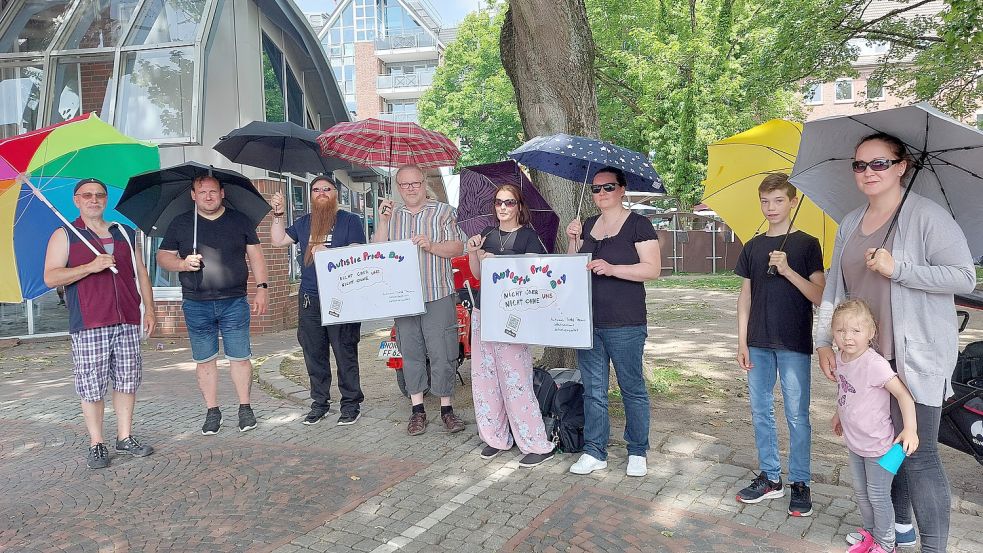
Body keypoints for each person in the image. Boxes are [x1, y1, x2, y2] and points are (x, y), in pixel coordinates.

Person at [815, 132, 976, 552]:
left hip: (917, 356)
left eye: (879, 163)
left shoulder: (927, 216)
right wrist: (824, 341)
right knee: (887, 448)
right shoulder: (851, 222)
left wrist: (899, 268)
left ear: (902, 166)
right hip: (865, 357)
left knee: (917, 453)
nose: (868, 172)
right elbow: (835, 285)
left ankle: (934, 546)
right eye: (860, 164)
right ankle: (899, 527)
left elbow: (964, 276)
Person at [42, 176, 156, 469]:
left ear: (106, 200)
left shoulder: (125, 233)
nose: (94, 200)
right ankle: (96, 442)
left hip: (128, 317)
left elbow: (141, 273)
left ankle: (125, 436)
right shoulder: (65, 234)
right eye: (87, 195)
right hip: (90, 320)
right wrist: (89, 267)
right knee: (92, 384)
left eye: (100, 195)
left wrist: (150, 309)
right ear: (76, 201)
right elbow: (51, 276)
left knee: (127, 380)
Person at [734, 173, 825, 517]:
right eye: (765, 201)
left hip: (793, 343)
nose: (771, 208)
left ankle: (800, 481)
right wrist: (741, 341)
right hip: (757, 342)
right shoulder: (753, 246)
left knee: (797, 415)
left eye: (778, 200)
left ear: (792, 202)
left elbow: (819, 296)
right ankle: (771, 478)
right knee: (761, 412)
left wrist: (788, 271)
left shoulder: (807, 244)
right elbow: (745, 296)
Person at [564, 166, 662, 477]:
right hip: (588, 321)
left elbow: (652, 270)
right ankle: (595, 450)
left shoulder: (639, 225)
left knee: (631, 388)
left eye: (608, 187)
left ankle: (637, 450)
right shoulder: (587, 225)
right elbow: (572, 269)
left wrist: (613, 268)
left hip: (626, 322)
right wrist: (572, 241)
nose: (601, 193)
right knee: (593, 390)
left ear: (622, 189)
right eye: (595, 189)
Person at [156, 175, 269, 435]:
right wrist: (183, 264)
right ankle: (212, 411)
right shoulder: (181, 223)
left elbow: (256, 255)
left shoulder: (240, 220)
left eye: (213, 191)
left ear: (222, 193)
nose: (208, 196)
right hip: (196, 303)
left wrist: (262, 289)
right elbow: (163, 257)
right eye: (202, 191)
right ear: (193, 195)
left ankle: (245, 408)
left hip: (234, 301)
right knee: (205, 360)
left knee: (240, 358)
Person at [373, 164, 467, 435]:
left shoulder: (444, 212)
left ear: (424, 183)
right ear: (398, 187)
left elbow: (457, 247)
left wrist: (432, 246)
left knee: (443, 352)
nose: (411, 189)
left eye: (415, 183)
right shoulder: (392, 215)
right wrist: (382, 221)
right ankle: (417, 411)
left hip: (437, 291)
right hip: (402, 296)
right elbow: (377, 250)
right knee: (411, 352)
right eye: (404, 184)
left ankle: (447, 409)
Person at [466, 184, 555, 468]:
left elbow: (533, 272)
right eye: (498, 202)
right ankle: (496, 437)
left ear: (519, 206)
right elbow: (477, 274)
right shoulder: (488, 236)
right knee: (485, 378)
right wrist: (474, 254)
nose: (503, 207)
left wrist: (500, 260)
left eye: (509, 202)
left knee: (516, 379)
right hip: (483, 311)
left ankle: (535, 442)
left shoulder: (529, 237)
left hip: (512, 315)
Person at [269, 176, 365, 426]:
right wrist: (278, 214)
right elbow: (277, 241)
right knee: (314, 354)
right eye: (316, 190)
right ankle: (319, 403)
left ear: (336, 194)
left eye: (327, 189)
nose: (321, 193)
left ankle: (351, 404)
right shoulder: (303, 222)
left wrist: (330, 254)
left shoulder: (350, 220)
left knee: (345, 352)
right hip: (310, 298)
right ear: (311, 195)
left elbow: (359, 253)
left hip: (342, 297)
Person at [829, 300, 919, 553]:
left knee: (878, 495)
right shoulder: (841, 358)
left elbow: (903, 395)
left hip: (880, 445)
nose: (847, 338)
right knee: (860, 491)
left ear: (871, 332)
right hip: (855, 442)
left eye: (856, 331)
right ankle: (870, 533)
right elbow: (846, 390)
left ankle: (886, 543)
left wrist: (910, 429)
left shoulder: (874, 363)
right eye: (841, 331)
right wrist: (838, 415)